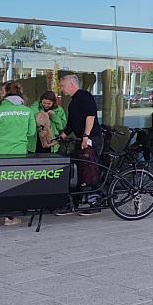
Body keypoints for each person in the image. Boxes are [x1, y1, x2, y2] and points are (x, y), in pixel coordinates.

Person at [0, 83, 35, 226]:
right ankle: (9, 217)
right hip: (17, 153)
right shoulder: (27, 111)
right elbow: (31, 132)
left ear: (6, 94)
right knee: (11, 185)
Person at [58, 74, 100, 216]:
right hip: (81, 139)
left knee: (90, 170)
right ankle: (74, 203)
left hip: (90, 139)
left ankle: (95, 203)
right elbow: (71, 124)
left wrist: (86, 136)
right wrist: (60, 138)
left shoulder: (84, 96)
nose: (61, 88)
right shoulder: (73, 102)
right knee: (80, 171)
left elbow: (90, 116)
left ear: (71, 84)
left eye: (62, 85)